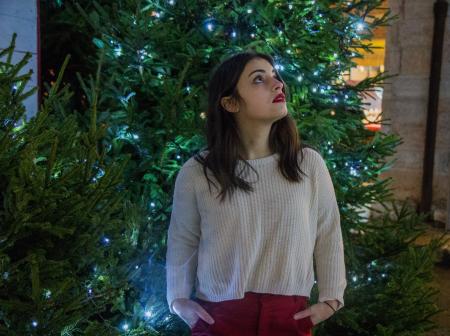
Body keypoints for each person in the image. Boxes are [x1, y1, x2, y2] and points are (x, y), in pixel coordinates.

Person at [165, 50, 347, 336]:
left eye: (275, 76)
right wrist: (177, 300)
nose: (278, 84)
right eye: (259, 79)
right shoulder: (198, 172)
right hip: (219, 318)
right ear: (230, 102)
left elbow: (328, 232)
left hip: (288, 315)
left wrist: (331, 299)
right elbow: (183, 239)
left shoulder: (307, 164)